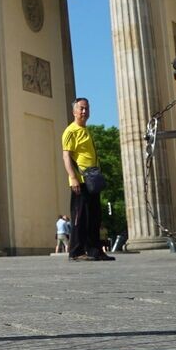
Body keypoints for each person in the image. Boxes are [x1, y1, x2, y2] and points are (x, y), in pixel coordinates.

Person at [61, 97, 112, 261]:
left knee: (95, 217)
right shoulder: (70, 131)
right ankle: (76, 252)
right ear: (74, 111)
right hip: (80, 181)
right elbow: (66, 156)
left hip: (92, 180)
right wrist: (73, 178)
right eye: (81, 108)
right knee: (80, 218)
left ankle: (95, 250)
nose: (84, 111)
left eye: (87, 108)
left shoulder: (86, 130)